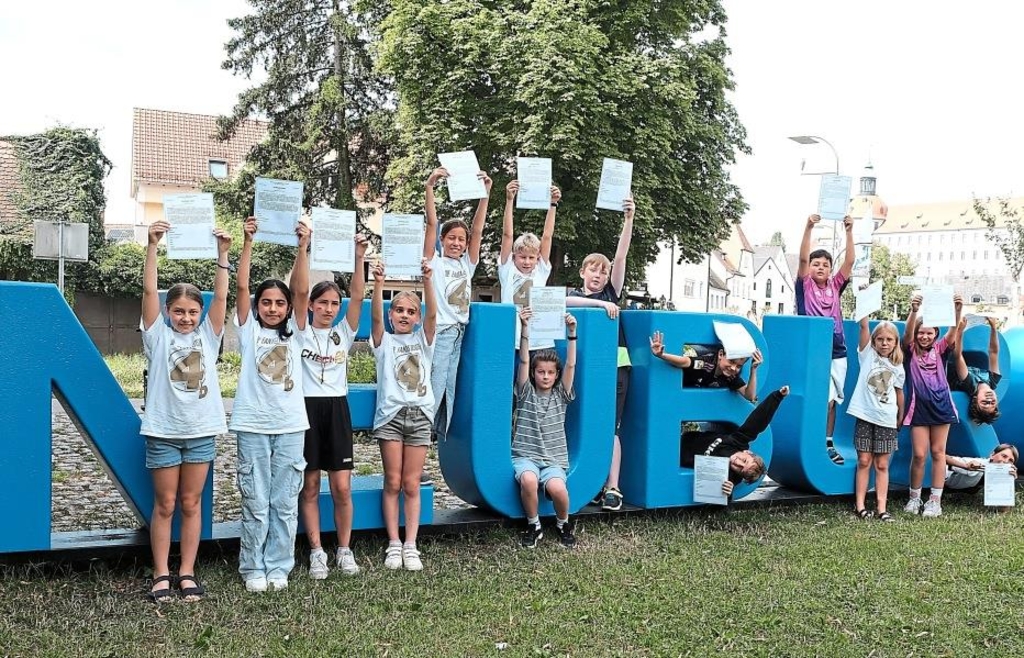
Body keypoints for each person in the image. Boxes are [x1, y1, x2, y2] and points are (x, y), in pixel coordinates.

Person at [140, 220, 231, 602]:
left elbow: (224, 299)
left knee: (191, 503)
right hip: (163, 430)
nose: (186, 318)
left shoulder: (208, 338)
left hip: (200, 431)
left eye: (192, 311)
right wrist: (151, 246)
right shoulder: (156, 334)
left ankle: (187, 571)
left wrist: (224, 253)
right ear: (167, 311)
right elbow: (147, 288)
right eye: (179, 311)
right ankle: (161, 572)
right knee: (165, 504)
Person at [231, 217, 311, 592]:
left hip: (292, 424)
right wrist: (248, 242)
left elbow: (301, 291)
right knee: (255, 501)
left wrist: (302, 247)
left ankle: (279, 565)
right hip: (252, 424)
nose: (274, 308)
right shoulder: (248, 330)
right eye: (267, 302)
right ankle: (252, 567)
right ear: (257, 306)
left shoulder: (296, 331)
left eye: (280, 303)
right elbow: (242, 284)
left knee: (284, 502)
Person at [297, 235, 369, 579]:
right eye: (322, 302)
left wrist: (358, 256)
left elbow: (359, 294)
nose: (328, 309)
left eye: (334, 304)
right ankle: (316, 552)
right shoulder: (298, 332)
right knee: (309, 486)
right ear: (311, 305)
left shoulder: (345, 331)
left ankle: (344, 549)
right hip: (307, 411)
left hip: (337, 410)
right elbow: (296, 291)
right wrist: (303, 248)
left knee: (342, 487)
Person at [566, 195, 635, 512]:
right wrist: (600, 305)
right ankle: (589, 480)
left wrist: (628, 219)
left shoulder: (612, 290)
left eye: (604, 272)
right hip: (581, 368)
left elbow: (621, 256)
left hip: (616, 367)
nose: (599, 275)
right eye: (594, 270)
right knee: (582, 422)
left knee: (611, 426)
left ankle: (613, 486)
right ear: (582, 272)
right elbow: (566, 304)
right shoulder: (573, 295)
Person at [371, 259, 436, 571]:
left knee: (412, 484)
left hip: (419, 415)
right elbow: (374, 318)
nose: (405, 316)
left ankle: (411, 544)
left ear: (418, 318)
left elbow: (434, 314)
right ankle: (393, 543)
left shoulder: (424, 341)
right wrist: (379, 282)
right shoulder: (383, 342)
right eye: (399, 311)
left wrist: (427, 280)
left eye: (411, 312)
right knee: (393, 481)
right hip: (391, 417)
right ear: (391, 314)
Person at [423, 166, 491, 448]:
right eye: (451, 238)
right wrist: (430, 187)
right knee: (435, 383)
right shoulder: (434, 262)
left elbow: (478, 230)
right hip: (440, 330)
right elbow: (430, 223)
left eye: (461, 240)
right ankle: (420, 437)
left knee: (450, 386)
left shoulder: (466, 264)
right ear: (441, 240)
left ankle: (434, 436)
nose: (457, 242)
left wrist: (485, 196)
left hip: (459, 332)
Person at [514, 307, 578, 549]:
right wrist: (525, 329)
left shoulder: (562, 394)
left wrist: (572, 334)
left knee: (558, 489)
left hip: (553, 459)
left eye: (551, 373)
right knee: (529, 481)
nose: (545, 376)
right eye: (540, 372)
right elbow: (523, 359)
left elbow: (571, 365)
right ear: (533, 373)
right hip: (526, 455)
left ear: (556, 375)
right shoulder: (525, 392)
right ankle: (534, 524)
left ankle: (563, 523)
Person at [796, 214, 854, 465]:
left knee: (832, 401)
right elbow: (801, 258)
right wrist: (808, 227)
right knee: (816, 398)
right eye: (815, 263)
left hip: (837, 351)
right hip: (812, 350)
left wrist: (849, 231)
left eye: (825, 264)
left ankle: (828, 442)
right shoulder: (805, 285)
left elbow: (850, 261)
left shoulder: (835, 285)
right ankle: (809, 441)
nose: (820, 267)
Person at [902, 292, 962, 518]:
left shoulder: (941, 350)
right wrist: (914, 311)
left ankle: (935, 500)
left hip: (942, 407)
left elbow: (953, 332)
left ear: (935, 335)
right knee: (919, 454)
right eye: (921, 332)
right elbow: (907, 334)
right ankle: (914, 498)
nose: (924, 336)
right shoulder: (909, 351)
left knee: (938, 453)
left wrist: (957, 310)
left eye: (929, 333)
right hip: (918, 409)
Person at [680, 386, 790, 498]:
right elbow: (757, 422)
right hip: (681, 439)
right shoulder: (738, 442)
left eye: (741, 469)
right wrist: (777, 396)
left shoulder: (729, 477)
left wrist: (727, 494)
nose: (738, 463)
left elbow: (716, 502)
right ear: (748, 452)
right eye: (744, 461)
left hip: (676, 457)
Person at [846, 317, 905, 521]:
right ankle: (860, 505)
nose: (885, 343)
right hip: (865, 415)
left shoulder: (898, 366)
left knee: (882, 464)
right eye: (880, 339)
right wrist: (864, 305)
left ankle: (882, 508)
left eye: (889, 339)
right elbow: (863, 325)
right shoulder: (867, 355)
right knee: (864, 460)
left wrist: (900, 415)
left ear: (896, 342)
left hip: (886, 419)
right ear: (874, 341)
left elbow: (899, 393)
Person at [499, 179, 560, 361]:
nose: (527, 262)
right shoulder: (507, 270)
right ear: (514, 256)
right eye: (522, 257)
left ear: (538, 258)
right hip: (513, 340)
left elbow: (547, 236)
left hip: (540, 341)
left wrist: (553, 204)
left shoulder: (540, 271)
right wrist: (510, 200)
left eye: (531, 257)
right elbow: (507, 235)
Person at [648, 331, 761, 402]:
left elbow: (749, 396)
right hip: (681, 386)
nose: (733, 368)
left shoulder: (731, 376)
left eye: (738, 366)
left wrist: (754, 369)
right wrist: (662, 355)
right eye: (731, 362)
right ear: (721, 354)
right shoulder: (707, 363)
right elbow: (685, 362)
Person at [950, 316, 1001, 424]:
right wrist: (993, 327)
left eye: (984, 402)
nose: (989, 399)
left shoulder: (969, 384)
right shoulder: (993, 379)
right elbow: (993, 352)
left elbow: (958, 356)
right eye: (993, 403)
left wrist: (960, 331)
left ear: (975, 400)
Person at [944, 444, 1019, 495]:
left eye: (1010, 460)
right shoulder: (978, 464)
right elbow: (943, 457)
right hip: (940, 479)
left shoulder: (1003, 475)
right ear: (992, 455)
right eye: (1004, 456)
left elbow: (1003, 508)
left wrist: (1010, 482)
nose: (1006, 461)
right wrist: (965, 466)